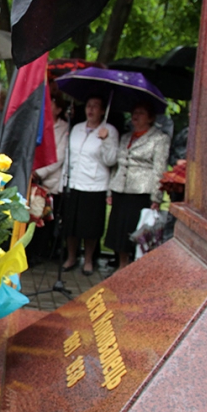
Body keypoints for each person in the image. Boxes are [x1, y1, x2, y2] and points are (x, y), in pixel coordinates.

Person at [105, 101, 170, 268]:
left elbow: (159, 169)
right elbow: (117, 165)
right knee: (118, 229)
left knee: (133, 229)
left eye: (141, 113)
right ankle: (121, 264)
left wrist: (156, 197)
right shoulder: (126, 137)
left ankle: (133, 267)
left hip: (141, 191)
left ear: (150, 118)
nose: (136, 116)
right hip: (120, 188)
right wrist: (110, 191)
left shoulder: (159, 139)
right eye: (134, 112)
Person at [62, 95, 118, 276]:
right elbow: (68, 155)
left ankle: (88, 260)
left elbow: (111, 160)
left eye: (96, 106)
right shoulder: (77, 128)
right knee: (71, 225)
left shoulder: (109, 131)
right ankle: (71, 257)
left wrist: (106, 140)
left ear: (102, 111)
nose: (91, 109)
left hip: (94, 185)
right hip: (74, 182)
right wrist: (64, 179)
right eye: (88, 105)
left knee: (90, 227)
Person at [31, 91, 70, 260]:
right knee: (32, 215)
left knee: (46, 218)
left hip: (50, 180)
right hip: (32, 179)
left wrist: (38, 172)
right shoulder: (37, 124)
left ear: (59, 109)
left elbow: (58, 157)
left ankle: (42, 253)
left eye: (50, 103)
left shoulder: (64, 129)